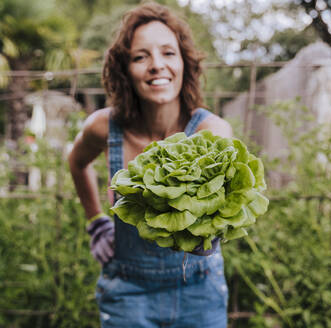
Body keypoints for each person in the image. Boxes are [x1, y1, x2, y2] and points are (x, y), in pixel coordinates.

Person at [68, 2, 232, 327]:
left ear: (185, 63)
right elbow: (76, 164)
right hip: (127, 292)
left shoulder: (210, 131)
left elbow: (229, 202)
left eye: (168, 53)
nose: (157, 65)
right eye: (140, 56)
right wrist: (96, 223)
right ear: (124, 70)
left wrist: (211, 232)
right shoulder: (103, 127)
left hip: (199, 290)